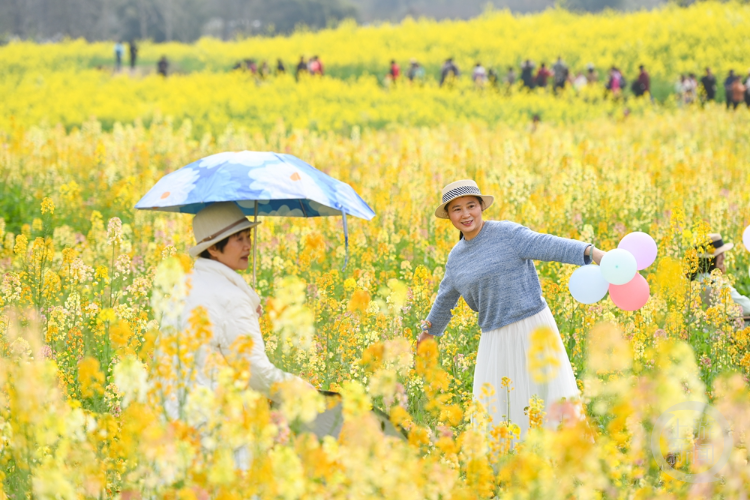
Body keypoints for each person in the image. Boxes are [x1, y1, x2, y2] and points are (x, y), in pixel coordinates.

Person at [417, 180, 604, 439]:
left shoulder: (507, 234)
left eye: (471, 206)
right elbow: (445, 298)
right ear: (448, 216)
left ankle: (562, 456)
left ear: (482, 206)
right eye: (457, 209)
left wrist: (593, 254)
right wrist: (427, 333)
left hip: (533, 326)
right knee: (502, 403)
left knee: (546, 393)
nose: (466, 214)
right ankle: (510, 464)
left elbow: (548, 245)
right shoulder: (456, 258)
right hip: (495, 338)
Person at [170, 202, 305, 410]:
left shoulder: (184, 284)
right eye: (238, 239)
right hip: (212, 418)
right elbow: (256, 371)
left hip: (172, 412)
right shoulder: (232, 298)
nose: (247, 246)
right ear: (213, 248)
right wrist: (305, 393)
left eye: (248, 236)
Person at [690, 233, 750, 320]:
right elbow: (747, 307)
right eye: (720, 254)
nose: (724, 257)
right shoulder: (717, 284)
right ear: (710, 259)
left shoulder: (694, 283)